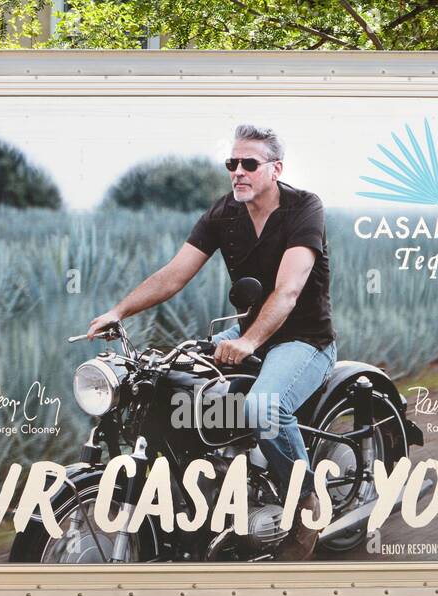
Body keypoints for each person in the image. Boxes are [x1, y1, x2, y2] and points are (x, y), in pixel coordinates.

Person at [87, 124, 337, 561]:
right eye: (231, 164)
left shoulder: (303, 208)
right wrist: (118, 311)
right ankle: (203, 493)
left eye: (249, 164)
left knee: (264, 405)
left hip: (303, 339)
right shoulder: (224, 213)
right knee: (164, 374)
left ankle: (305, 504)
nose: (237, 172)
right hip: (247, 334)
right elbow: (174, 273)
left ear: (275, 169)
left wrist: (248, 341)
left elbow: (288, 290)